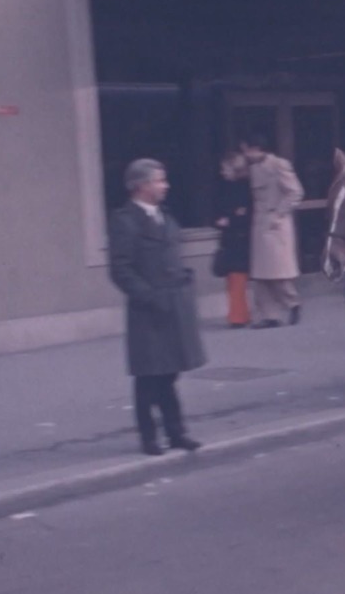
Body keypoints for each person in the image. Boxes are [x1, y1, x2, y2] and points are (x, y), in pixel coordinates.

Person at [106, 158, 206, 456]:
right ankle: (149, 437)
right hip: (148, 310)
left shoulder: (165, 216)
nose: (166, 185)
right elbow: (120, 270)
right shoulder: (124, 220)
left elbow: (171, 256)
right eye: (160, 180)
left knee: (169, 372)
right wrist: (148, 296)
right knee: (148, 376)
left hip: (173, 306)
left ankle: (176, 433)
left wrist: (185, 278)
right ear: (141, 186)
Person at [241, 134, 305, 328]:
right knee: (260, 275)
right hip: (259, 222)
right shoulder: (252, 169)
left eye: (247, 150)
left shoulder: (279, 165)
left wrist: (280, 213)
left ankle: (292, 303)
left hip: (276, 222)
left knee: (278, 272)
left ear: (257, 148)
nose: (246, 154)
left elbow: (295, 192)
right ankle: (269, 315)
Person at [213, 151, 252, 328]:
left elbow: (244, 215)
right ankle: (240, 314)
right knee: (232, 280)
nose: (223, 172)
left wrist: (229, 219)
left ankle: (238, 317)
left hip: (239, 240)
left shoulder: (244, 189)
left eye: (225, 169)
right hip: (230, 240)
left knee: (237, 280)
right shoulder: (225, 188)